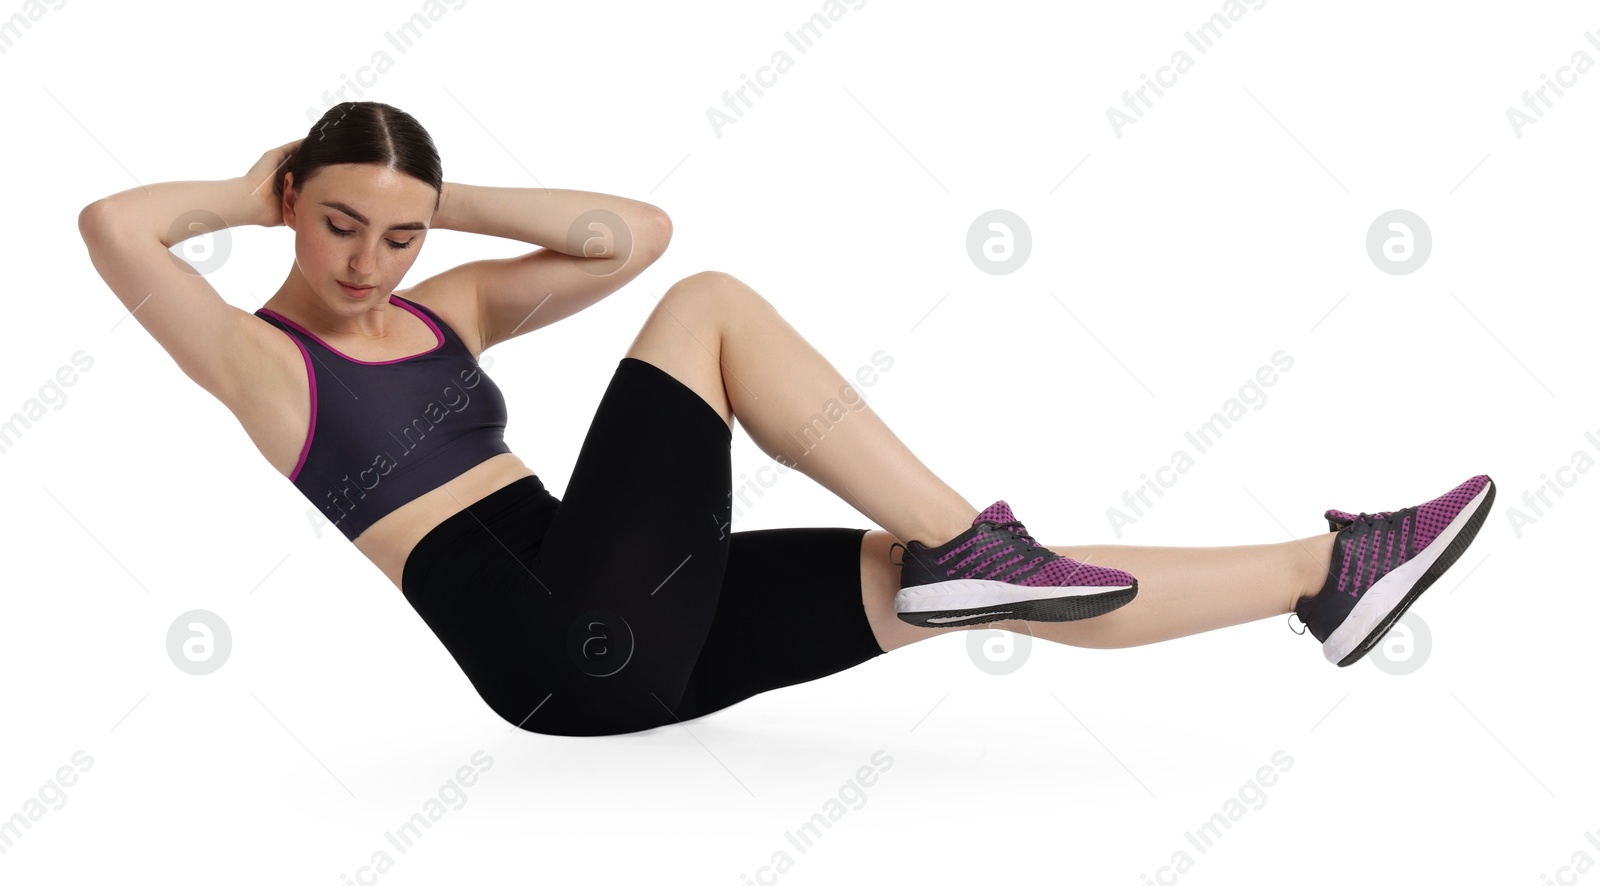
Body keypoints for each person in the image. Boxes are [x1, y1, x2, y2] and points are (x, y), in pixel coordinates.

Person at [77, 101, 1494, 737]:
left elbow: (619, 231)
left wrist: (435, 199)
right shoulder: (262, 361)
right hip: (555, 643)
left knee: (971, 591)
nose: (368, 262)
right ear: (293, 213)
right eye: (339, 226)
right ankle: (967, 540)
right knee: (713, 306)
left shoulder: (447, 305)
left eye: (395, 235)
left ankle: (1327, 576)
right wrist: (254, 183)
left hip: (620, 623)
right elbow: (117, 228)